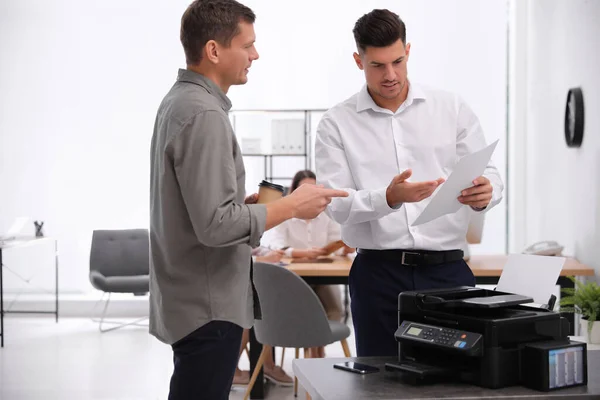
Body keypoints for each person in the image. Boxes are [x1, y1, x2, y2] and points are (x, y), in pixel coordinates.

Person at [149, 1, 348, 399]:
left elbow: (199, 211)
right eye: (248, 45)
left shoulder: (180, 103)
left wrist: (248, 206)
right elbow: (216, 226)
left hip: (191, 300)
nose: (255, 55)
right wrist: (290, 205)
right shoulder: (204, 114)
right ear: (214, 51)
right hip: (209, 308)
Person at [314, 9, 504, 358]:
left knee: (457, 380)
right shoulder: (335, 124)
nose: (390, 75)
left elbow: (489, 173)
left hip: (448, 273)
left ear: (408, 51)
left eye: (397, 62)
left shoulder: (451, 107)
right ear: (359, 61)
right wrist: (386, 198)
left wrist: (485, 193)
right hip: (378, 276)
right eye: (377, 65)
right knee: (378, 383)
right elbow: (337, 205)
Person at [268, 170, 354, 358]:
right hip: (292, 278)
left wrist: (344, 249)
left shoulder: (327, 215)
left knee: (335, 310)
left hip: (322, 275)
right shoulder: (286, 214)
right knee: (306, 310)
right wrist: (302, 253)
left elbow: (336, 242)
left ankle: (316, 351)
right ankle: (314, 353)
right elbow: (275, 245)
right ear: (295, 191)